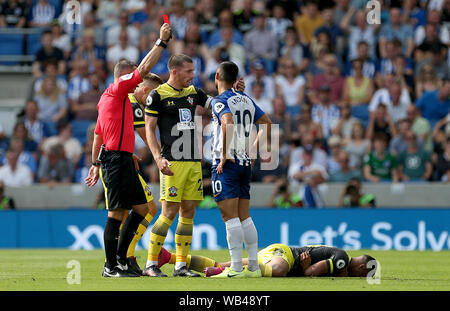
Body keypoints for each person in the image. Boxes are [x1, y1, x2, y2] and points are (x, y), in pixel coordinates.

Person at [143, 54, 245, 278]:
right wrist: (158, 158)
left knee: (188, 212)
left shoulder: (195, 93)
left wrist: (234, 93)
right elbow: (149, 129)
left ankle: (180, 266)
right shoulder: (157, 96)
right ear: (175, 71)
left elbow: (218, 103)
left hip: (193, 162)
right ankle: (151, 263)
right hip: (172, 162)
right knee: (168, 212)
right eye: (189, 71)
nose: (193, 75)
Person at [84, 22, 172, 278]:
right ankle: (110, 266)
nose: (138, 79)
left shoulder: (111, 101)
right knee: (116, 213)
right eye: (133, 75)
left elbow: (98, 133)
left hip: (120, 159)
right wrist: (161, 42)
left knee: (142, 208)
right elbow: (144, 69)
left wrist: (94, 163)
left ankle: (121, 260)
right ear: (124, 76)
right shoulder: (116, 91)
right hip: (115, 160)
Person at [209, 61, 272, 278]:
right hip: (245, 161)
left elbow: (227, 123)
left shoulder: (219, 101)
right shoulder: (246, 99)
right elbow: (267, 123)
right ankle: (253, 268)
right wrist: (253, 150)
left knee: (230, 217)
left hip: (227, 163)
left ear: (217, 75)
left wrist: (225, 154)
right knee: (244, 216)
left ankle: (236, 268)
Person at [182, 243, 376, 278]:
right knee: (278, 272)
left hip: (276, 254)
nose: (359, 277)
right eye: (363, 275)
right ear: (361, 267)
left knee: (222, 264)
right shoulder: (341, 259)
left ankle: (174, 259)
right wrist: (305, 268)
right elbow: (310, 272)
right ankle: (224, 274)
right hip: (284, 256)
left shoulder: (341, 259)